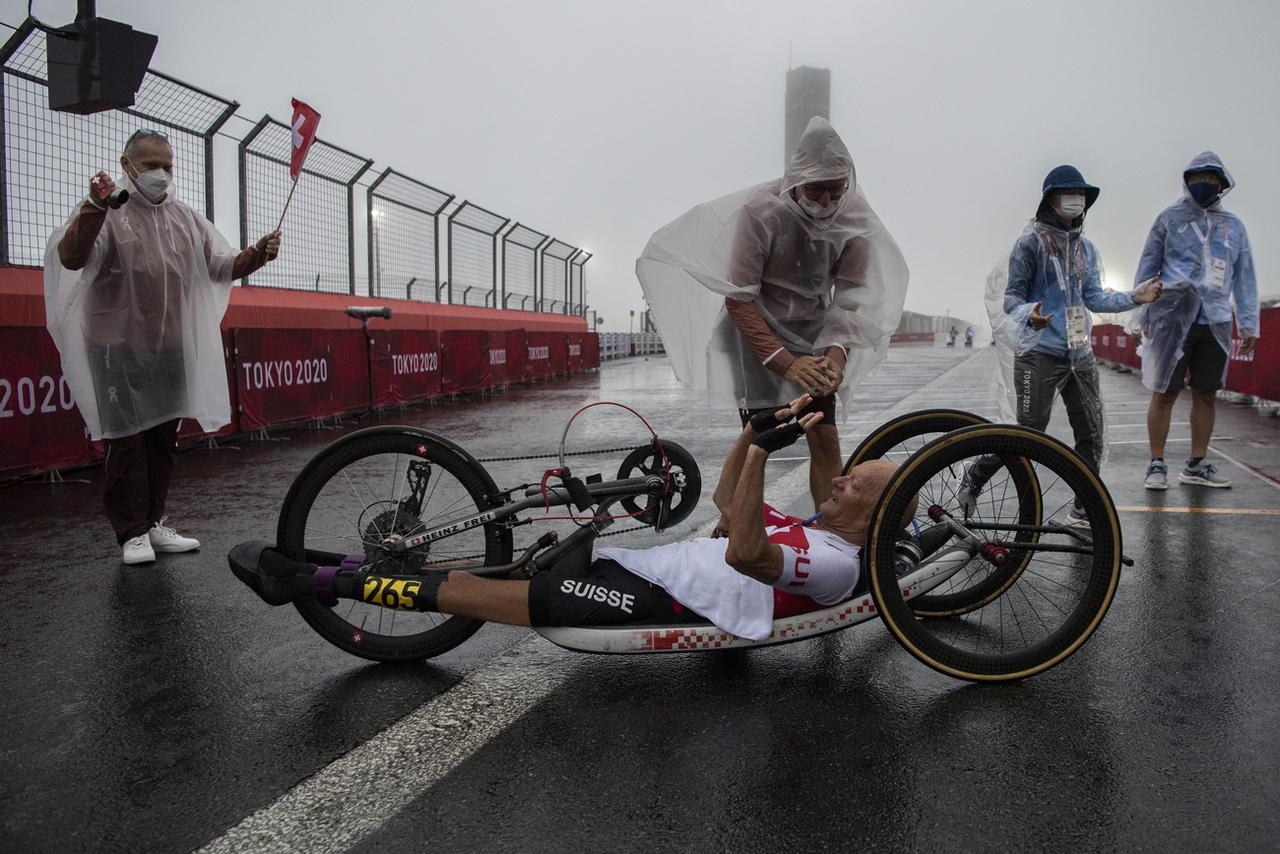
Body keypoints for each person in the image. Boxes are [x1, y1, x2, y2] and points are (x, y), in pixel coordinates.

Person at [284, 395, 911, 641]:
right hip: (640, 570)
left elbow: (747, 552)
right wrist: (752, 435)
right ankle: (336, 565)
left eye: (858, 483)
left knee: (475, 592)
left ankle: (310, 583)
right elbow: (727, 504)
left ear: (875, 515)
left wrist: (762, 459)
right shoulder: (817, 532)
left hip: (654, 602)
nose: (841, 477)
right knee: (498, 566)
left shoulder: (832, 561)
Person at [637, 118, 909, 511]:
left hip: (814, 336)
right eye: (817, 190)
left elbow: (850, 300)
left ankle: (829, 530)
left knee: (824, 434)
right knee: (760, 435)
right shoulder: (761, 212)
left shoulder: (853, 219)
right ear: (796, 179)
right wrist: (786, 364)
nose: (827, 201)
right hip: (755, 336)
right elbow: (739, 299)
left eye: (837, 190)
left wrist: (835, 354)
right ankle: (731, 521)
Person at [44, 128, 282, 565]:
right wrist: (95, 207)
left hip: (170, 347)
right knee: (126, 439)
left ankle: (153, 522)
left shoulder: (185, 218)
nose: (160, 174)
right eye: (151, 165)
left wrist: (258, 253)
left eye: (167, 166)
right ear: (127, 165)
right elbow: (72, 257)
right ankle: (130, 531)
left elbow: (221, 266)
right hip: (116, 350)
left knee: (162, 439)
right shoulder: (106, 212)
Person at [971, 165, 1161, 525]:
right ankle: (975, 478)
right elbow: (1010, 297)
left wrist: (1136, 297)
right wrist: (1030, 314)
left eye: (1082, 195)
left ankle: (1082, 508)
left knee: (1091, 434)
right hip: (1039, 353)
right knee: (1028, 435)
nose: (1077, 200)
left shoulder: (1086, 249)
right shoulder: (1029, 244)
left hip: (1079, 355)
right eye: (1069, 194)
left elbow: (1095, 297)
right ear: (1050, 199)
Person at [1131, 152, 1259, 490]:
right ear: (1187, 180)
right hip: (1172, 319)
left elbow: (1244, 276)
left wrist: (1248, 324)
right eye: (1199, 177)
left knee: (1206, 393)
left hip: (1214, 320)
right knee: (1164, 392)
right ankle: (1156, 463)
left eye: (1213, 179)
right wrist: (1142, 311)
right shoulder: (1169, 218)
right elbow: (1148, 265)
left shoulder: (1233, 226)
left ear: (1222, 184)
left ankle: (1196, 463)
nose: (1206, 184)